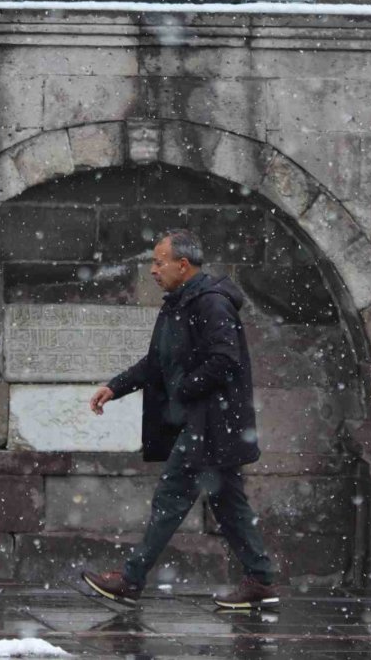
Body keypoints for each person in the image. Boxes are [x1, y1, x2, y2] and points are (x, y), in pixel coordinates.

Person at [82, 229, 279, 610]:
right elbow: (156, 363)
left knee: (171, 496)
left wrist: (185, 389)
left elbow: (224, 360)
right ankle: (261, 579)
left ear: (182, 265)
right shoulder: (178, 304)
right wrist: (115, 387)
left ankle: (131, 579)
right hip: (204, 424)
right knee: (228, 503)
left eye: (159, 262)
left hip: (209, 426)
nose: (153, 270)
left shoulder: (211, 304)